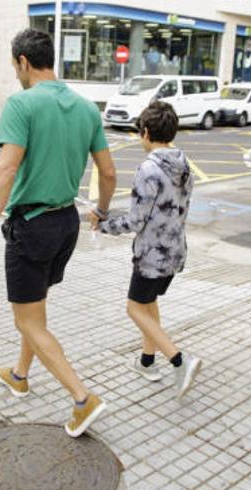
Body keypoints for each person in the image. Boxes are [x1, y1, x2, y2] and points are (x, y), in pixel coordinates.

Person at [0, 29, 117, 438]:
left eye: (14, 66)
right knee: (34, 308)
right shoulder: (87, 108)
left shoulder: (21, 103)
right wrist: (101, 213)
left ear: (22, 62)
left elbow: (6, 169)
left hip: (31, 226)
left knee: (28, 319)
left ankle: (83, 399)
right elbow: (108, 172)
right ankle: (19, 375)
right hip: (66, 223)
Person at [90, 101, 202, 400]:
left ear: (147, 132)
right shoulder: (184, 163)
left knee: (134, 308)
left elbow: (137, 220)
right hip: (175, 252)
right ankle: (147, 361)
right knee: (149, 304)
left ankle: (180, 361)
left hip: (151, 255)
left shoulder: (149, 168)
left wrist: (103, 225)